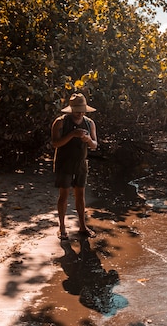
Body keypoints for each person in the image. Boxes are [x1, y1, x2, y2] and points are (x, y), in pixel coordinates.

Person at [52, 93, 98, 240]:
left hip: (81, 163)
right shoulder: (60, 123)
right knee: (63, 195)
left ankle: (83, 226)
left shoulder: (89, 123)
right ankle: (62, 227)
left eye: (83, 110)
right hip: (64, 162)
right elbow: (55, 144)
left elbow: (95, 146)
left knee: (80, 196)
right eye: (77, 110)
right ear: (71, 109)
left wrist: (87, 139)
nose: (80, 113)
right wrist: (72, 134)